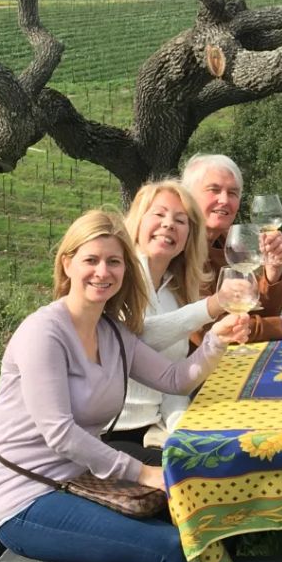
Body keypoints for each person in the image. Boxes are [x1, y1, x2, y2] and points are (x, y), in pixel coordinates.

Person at [0, 210, 280, 562]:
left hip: (81, 481)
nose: (103, 272)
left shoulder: (112, 333)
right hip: (29, 498)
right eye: (92, 260)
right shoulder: (43, 332)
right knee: (169, 550)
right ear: (67, 265)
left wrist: (217, 340)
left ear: (126, 270)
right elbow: (59, 433)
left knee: (202, 518)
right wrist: (140, 472)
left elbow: (175, 377)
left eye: (115, 262)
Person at [109, 179, 231, 457]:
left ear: (189, 236)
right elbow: (135, 338)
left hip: (151, 430)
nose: (168, 224)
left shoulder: (174, 291)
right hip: (110, 432)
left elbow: (172, 382)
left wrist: (182, 432)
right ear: (138, 221)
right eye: (159, 214)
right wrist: (210, 307)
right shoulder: (119, 277)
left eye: (180, 220)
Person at [182, 153, 282, 341]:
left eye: (232, 193)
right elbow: (205, 331)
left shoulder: (228, 243)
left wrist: (273, 270)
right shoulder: (179, 248)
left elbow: (255, 310)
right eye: (214, 190)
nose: (224, 200)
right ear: (188, 196)